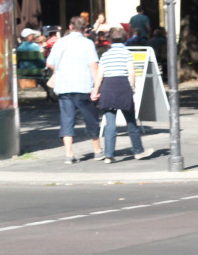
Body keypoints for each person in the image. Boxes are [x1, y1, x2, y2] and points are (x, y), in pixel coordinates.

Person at [46, 16, 102, 163]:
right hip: (83, 86)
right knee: (91, 118)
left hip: (64, 86)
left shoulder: (60, 43)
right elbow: (94, 66)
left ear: (70, 27)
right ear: (84, 29)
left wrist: (61, 69)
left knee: (67, 119)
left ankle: (68, 154)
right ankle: (97, 150)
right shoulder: (88, 43)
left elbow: (49, 62)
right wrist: (96, 87)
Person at [92, 26, 150, 163]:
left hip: (108, 88)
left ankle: (108, 155)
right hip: (123, 88)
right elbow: (131, 72)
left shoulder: (105, 55)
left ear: (109, 40)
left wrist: (96, 91)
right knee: (130, 121)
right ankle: (138, 151)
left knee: (109, 123)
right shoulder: (127, 53)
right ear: (124, 38)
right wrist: (133, 86)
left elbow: (100, 76)